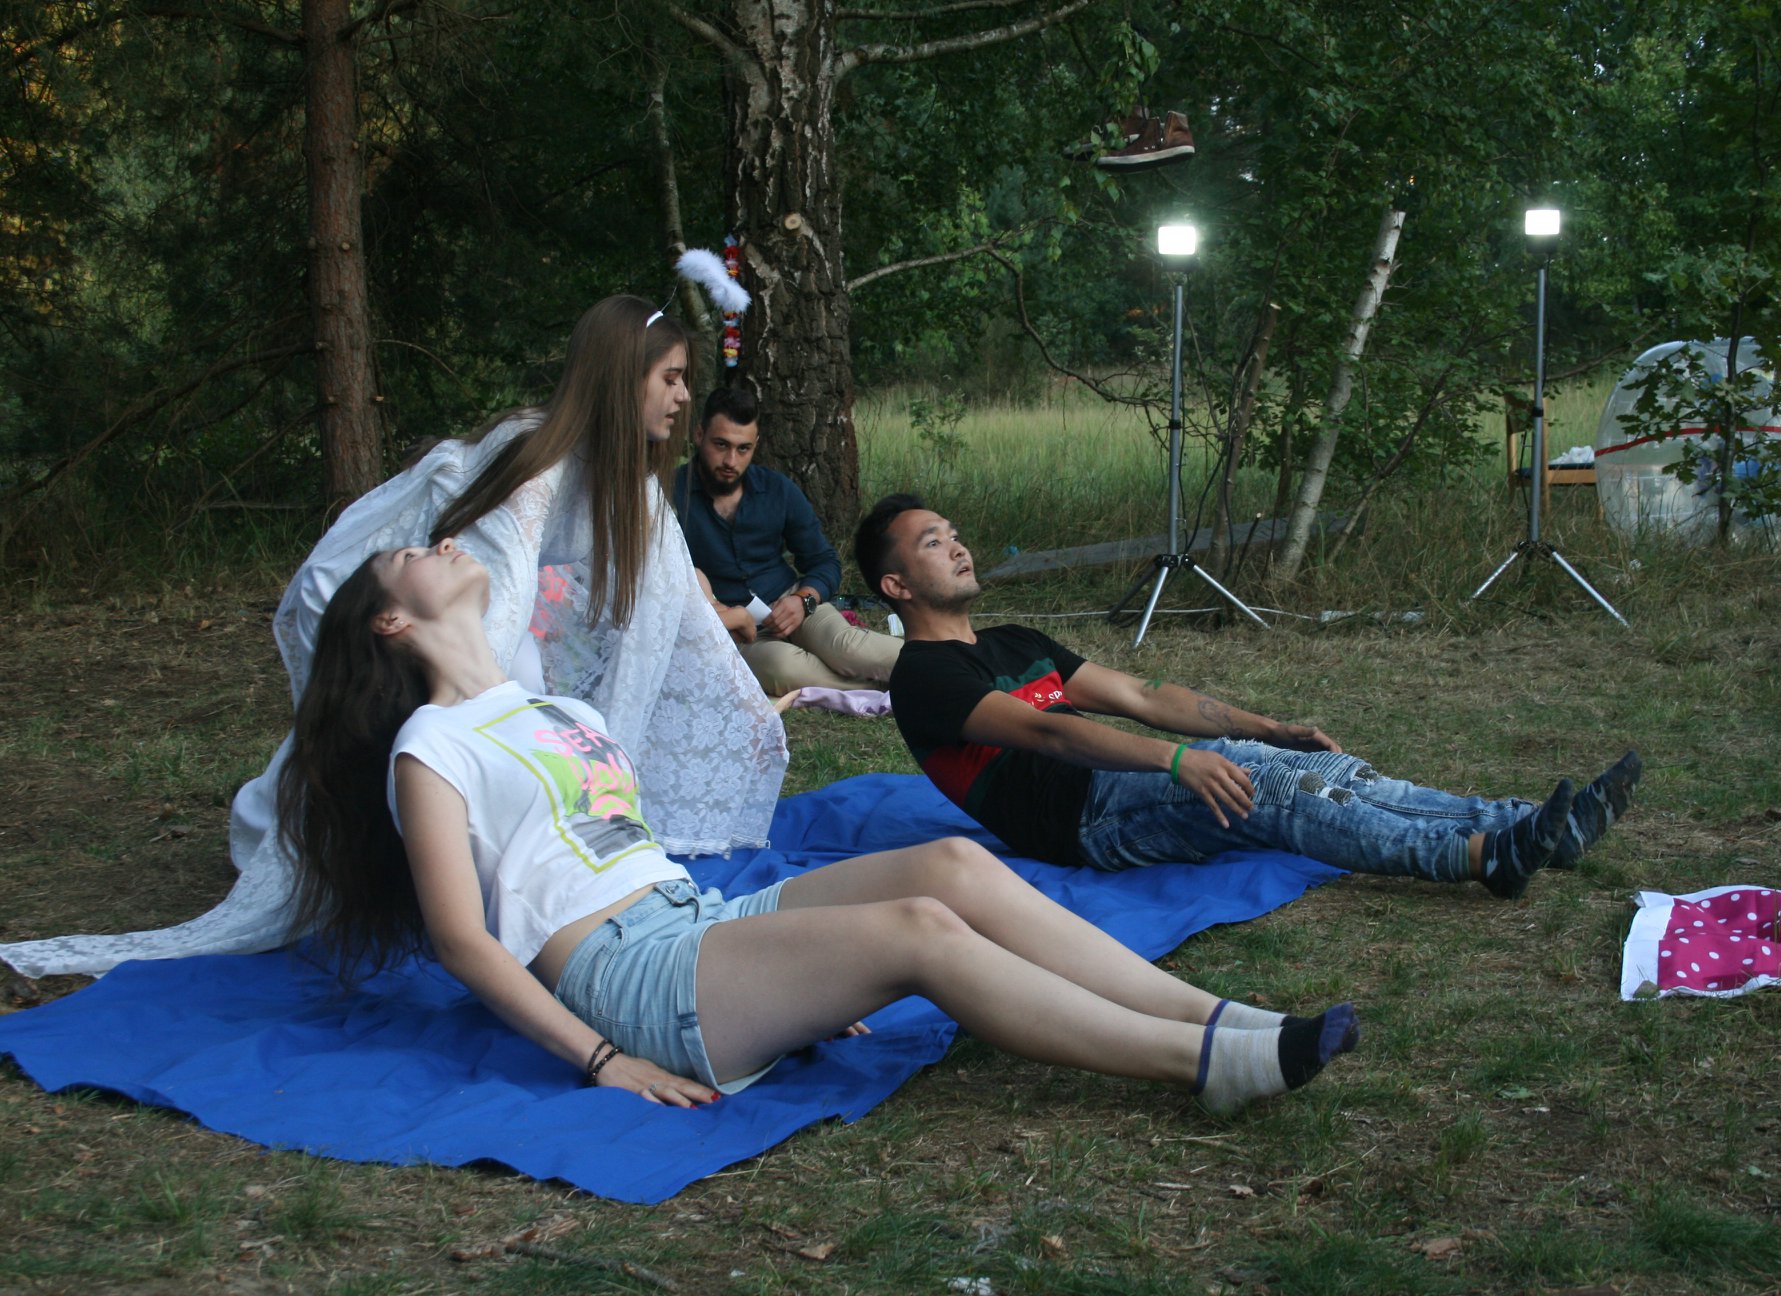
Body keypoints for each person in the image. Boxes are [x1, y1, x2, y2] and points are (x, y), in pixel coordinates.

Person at [280, 540, 1360, 1116]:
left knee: (949, 865)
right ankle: (1201, 1063)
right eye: (409, 554)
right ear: (392, 619)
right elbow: (463, 941)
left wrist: (791, 972)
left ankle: (1228, 1017)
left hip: (696, 924)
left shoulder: (561, 710)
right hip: (627, 980)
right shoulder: (432, 745)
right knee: (917, 933)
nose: (439, 543)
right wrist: (602, 1058)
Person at [0, 292, 785, 979]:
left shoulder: (630, 482)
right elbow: (505, 590)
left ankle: (380, 830)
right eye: (670, 377)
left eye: (685, 377)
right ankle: (319, 835)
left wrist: (742, 715)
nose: (684, 395)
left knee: (509, 702)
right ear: (620, 376)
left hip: (449, 598)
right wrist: (497, 712)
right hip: (386, 586)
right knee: (458, 711)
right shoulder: (533, 456)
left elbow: (665, 606)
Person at [854, 495, 1641, 900]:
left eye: (953, 532)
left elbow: (1140, 694)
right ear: (895, 585)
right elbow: (1049, 735)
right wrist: (1178, 762)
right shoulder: (922, 676)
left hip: (1117, 784)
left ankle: (1531, 823)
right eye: (933, 542)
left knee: (1321, 770)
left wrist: (1271, 727)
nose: (957, 546)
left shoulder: (1015, 640)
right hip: (1082, 820)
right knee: (1276, 794)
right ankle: (1483, 859)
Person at [674, 387, 903, 695]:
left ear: (756, 444)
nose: (731, 460)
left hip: (792, 601)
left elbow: (824, 561)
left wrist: (803, 600)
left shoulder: (777, 489)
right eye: (721, 445)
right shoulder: (670, 494)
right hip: (732, 628)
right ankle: (891, 686)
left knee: (849, 647)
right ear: (699, 435)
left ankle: (946, 662)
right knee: (785, 668)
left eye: (743, 449)